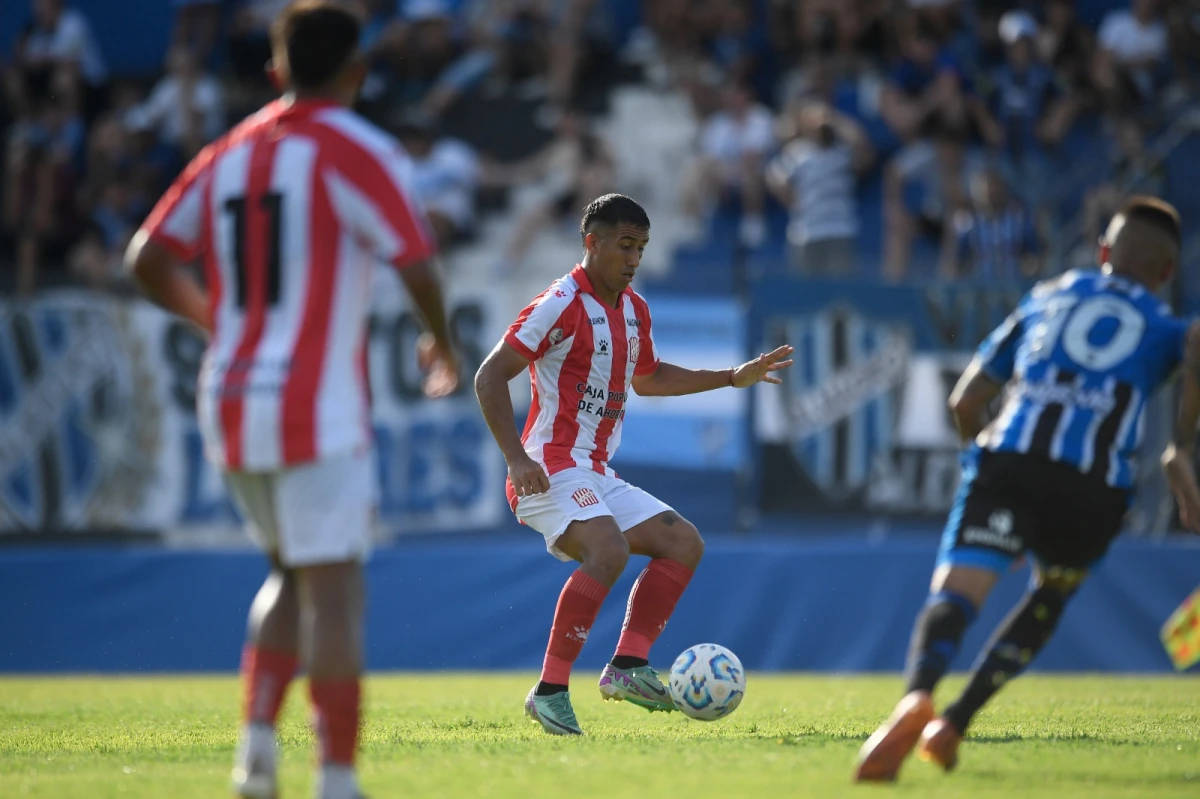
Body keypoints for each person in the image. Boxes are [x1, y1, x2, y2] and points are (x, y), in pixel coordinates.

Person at [124, 3, 460, 798]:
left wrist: (221, 322)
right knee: (337, 588)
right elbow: (415, 258)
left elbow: (147, 257)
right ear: (358, 70)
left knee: (288, 571)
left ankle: (256, 757)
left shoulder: (228, 151)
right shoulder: (361, 147)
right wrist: (441, 341)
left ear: (275, 71)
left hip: (232, 391)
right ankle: (337, 779)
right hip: (316, 397)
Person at [854, 196, 1198, 782]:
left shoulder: (1047, 297)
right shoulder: (1168, 328)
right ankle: (954, 724)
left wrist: (980, 470)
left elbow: (966, 400)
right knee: (1050, 595)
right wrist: (1180, 447)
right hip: (1094, 488)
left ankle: (918, 696)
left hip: (1009, 460)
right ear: (1167, 273)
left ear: (1104, 252)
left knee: (957, 594)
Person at [473, 193, 794, 736]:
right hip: (548, 467)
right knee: (608, 549)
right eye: (625, 245)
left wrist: (731, 375)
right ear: (591, 243)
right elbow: (489, 375)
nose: (634, 258)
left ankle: (627, 666)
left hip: (594, 471)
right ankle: (549, 691)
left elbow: (648, 378)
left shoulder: (633, 309)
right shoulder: (560, 303)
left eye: (641, 247)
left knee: (683, 542)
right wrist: (514, 458)